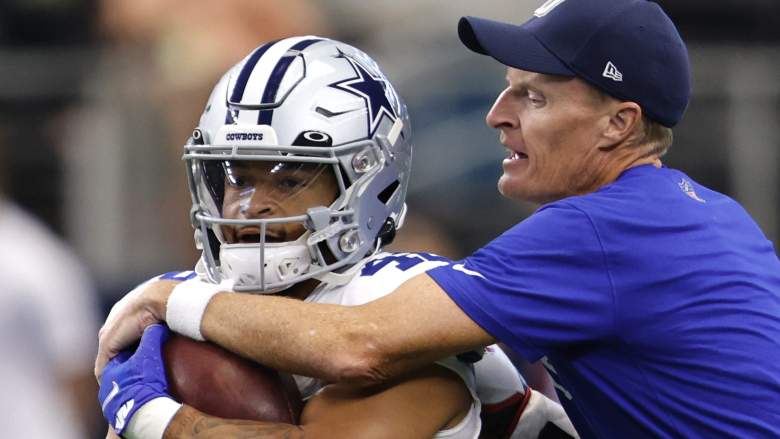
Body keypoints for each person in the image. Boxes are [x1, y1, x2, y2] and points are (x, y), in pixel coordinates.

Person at [97, 1, 780, 438]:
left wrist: (158, 373)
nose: (498, 114)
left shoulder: (598, 232)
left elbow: (355, 344)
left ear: (617, 124)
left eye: (533, 96)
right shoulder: (707, 215)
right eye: (235, 178)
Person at [97, 36, 575, 438]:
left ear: (366, 186)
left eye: (288, 181)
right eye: (237, 179)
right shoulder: (195, 306)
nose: (249, 205)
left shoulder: (398, 302)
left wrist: (153, 417)